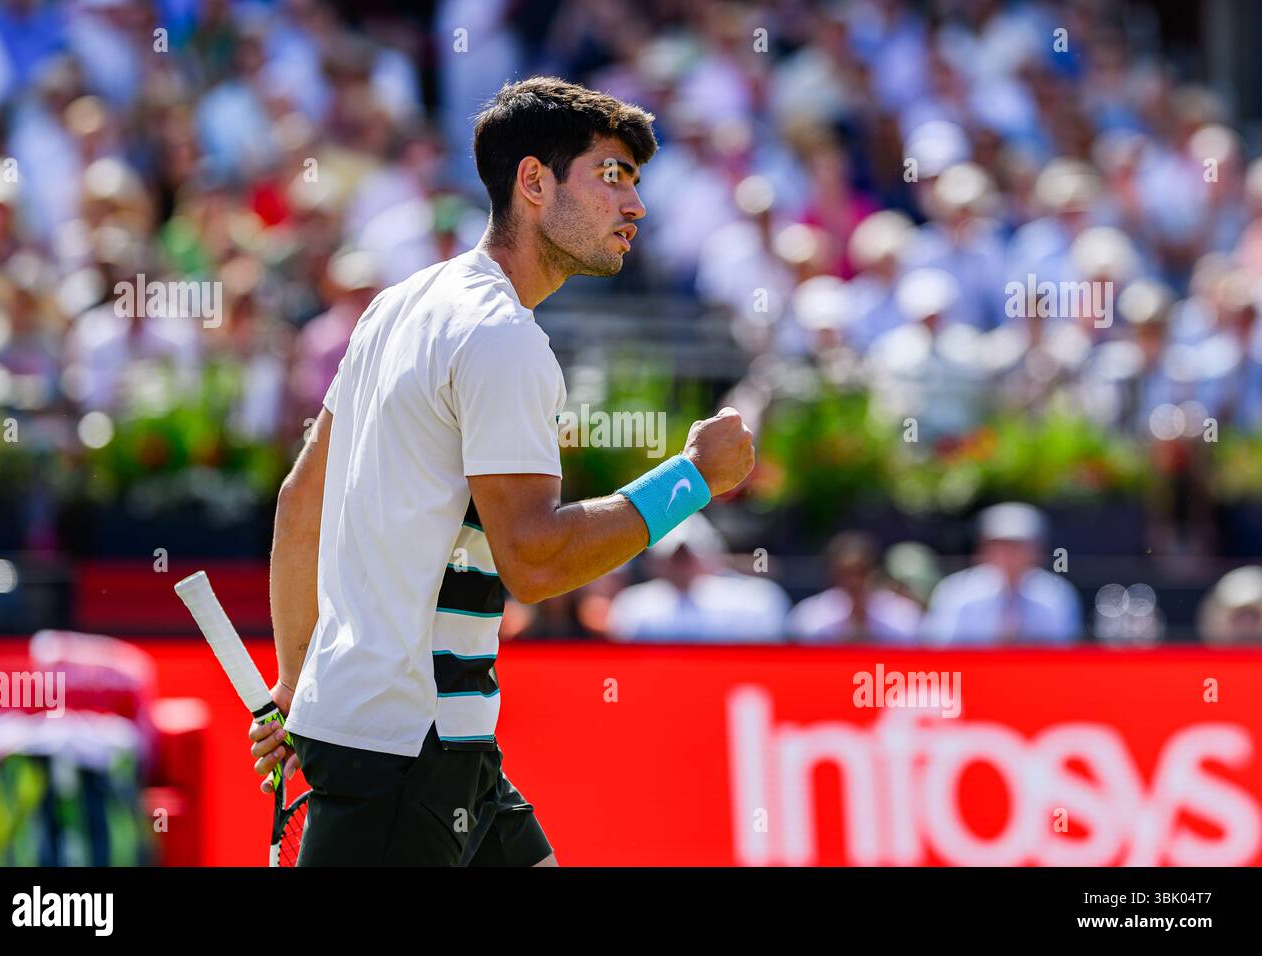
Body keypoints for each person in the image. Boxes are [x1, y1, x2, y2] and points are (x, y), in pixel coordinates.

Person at [248, 77, 755, 866]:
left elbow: (298, 503)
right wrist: (692, 476)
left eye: (637, 183)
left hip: (438, 746)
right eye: (611, 175)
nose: (635, 206)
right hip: (408, 752)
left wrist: (293, 682)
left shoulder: (398, 306)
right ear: (533, 182)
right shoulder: (501, 337)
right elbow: (536, 558)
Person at [606, 514, 789, 643]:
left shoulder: (757, 600)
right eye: (676, 558)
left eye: (688, 557)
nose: (682, 565)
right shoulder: (633, 606)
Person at [923, 502, 1083, 646]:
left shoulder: (1057, 595)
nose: (1009, 554)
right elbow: (939, 651)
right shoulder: (955, 592)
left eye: (1019, 546)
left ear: (1037, 550)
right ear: (983, 548)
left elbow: (1064, 655)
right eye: (1000, 545)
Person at [786, 532, 923, 645]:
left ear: (874, 571)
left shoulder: (904, 615)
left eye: (860, 572)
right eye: (844, 574)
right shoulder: (808, 616)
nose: (853, 582)